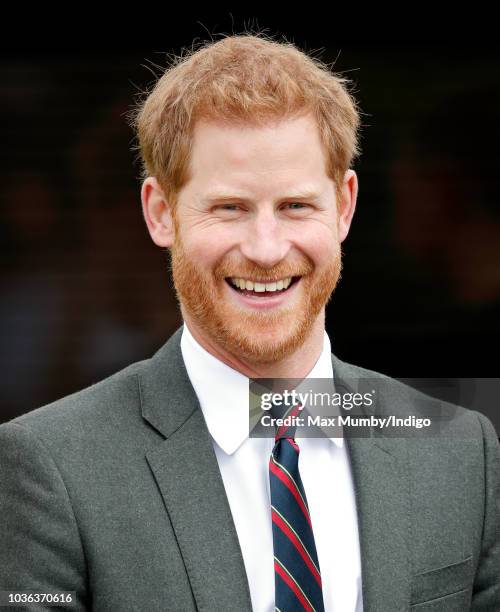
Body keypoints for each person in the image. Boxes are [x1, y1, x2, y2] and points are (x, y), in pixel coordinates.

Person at [0, 33, 498, 612]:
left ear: (344, 207)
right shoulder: (47, 466)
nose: (266, 249)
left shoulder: (461, 452)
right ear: (160, 213)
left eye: (295, 206)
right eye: (229, 207)